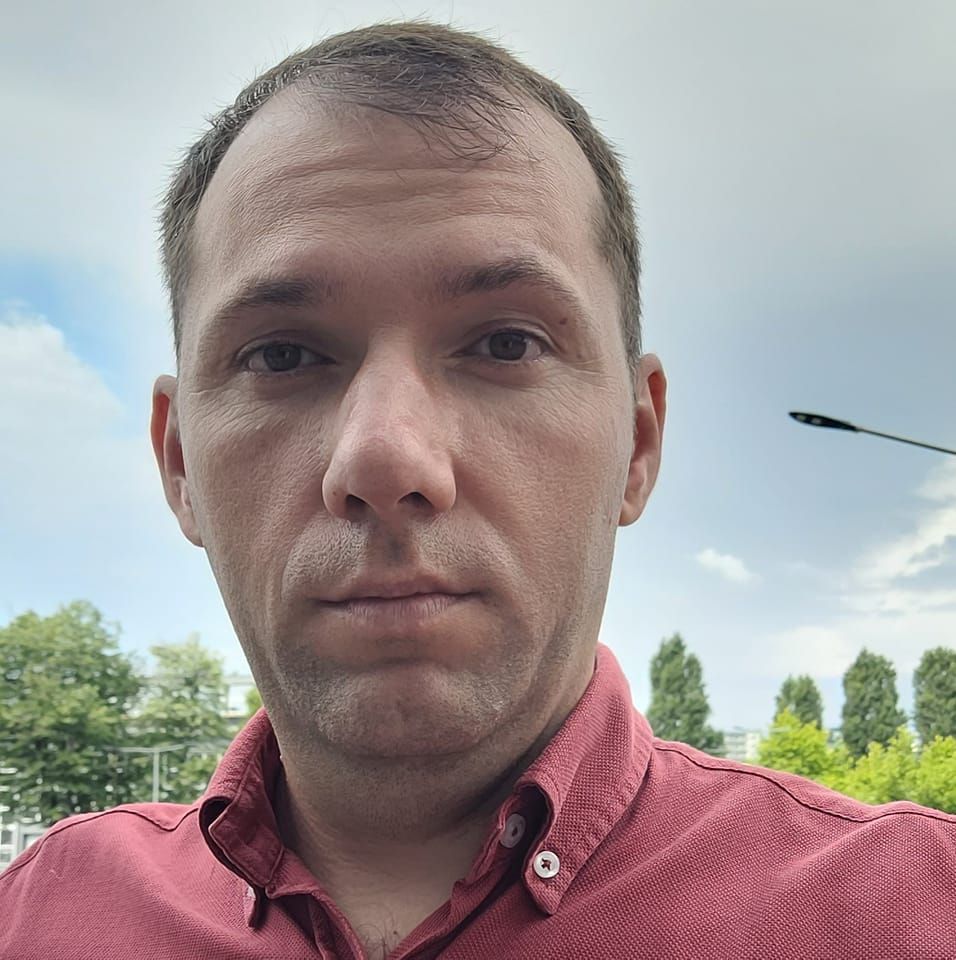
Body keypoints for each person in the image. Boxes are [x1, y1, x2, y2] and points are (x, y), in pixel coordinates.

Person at [1, 21, 953, 960]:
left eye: (505, 342)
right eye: (282, 355)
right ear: (179, 465)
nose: (386, 460)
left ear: (638, 441)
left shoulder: (917, 915)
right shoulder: (34, 918)